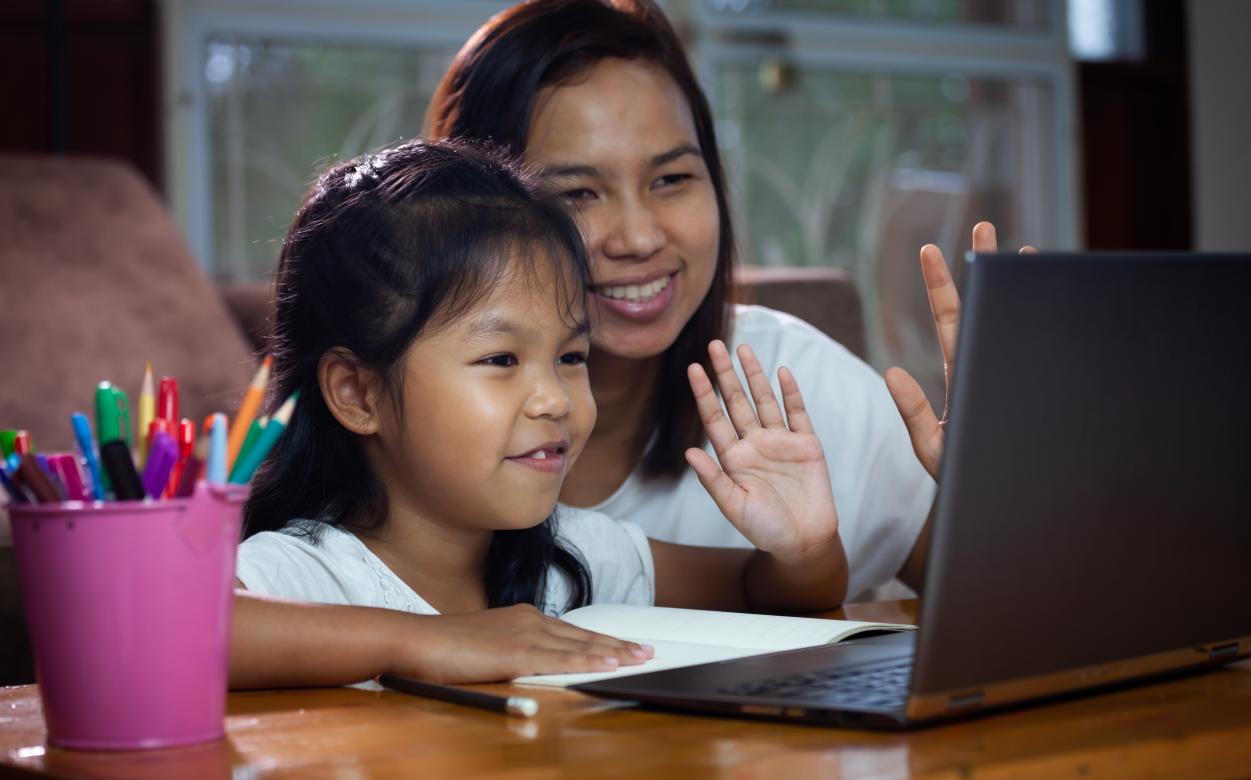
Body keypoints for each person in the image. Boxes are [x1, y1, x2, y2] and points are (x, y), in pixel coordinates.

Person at [424, 0, 993, 601]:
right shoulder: (404, 420)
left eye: (671, 180)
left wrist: (1008, 489)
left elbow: (1016, 603)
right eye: (578, 193)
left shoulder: (795, 387)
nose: (640, 238)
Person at [229, 138, 847, 689]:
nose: (556, 399)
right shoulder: (304, 573)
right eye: (501, 359)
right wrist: (424, 641)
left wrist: (803, 550)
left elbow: (763, 591)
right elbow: (165, 638)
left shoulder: (573, 557)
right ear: (358, 394)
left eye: (572, 356)